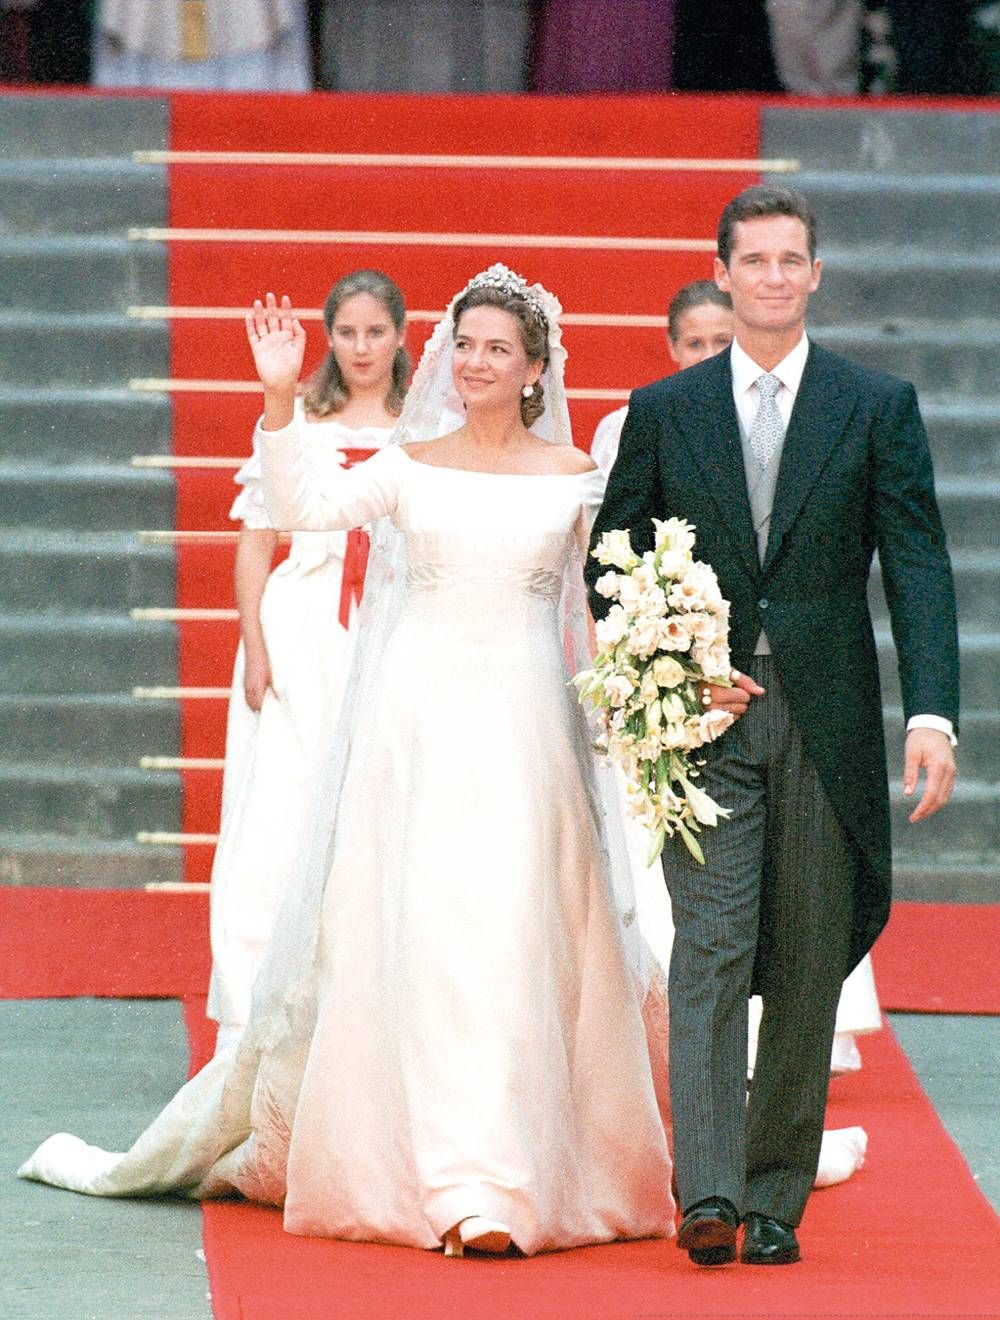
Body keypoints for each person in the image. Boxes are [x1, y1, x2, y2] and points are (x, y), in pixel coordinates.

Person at [19, 266, 674, 1258]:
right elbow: (305, 511)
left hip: (533, 726)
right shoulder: (409, 466)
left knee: (521, 933)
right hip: (418, 724)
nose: (480, 361)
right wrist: (280, 397)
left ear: (537, 367)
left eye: (502, 347)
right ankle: (464, 1186)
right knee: (434, 937)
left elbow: (611, 595)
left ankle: (528, 1166)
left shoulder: (574, 473)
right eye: (467, 344)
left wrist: (648, 684)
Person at [587, 185, 959, 1267]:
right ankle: (704, 1192)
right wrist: (673, 667)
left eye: (791, 260)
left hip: (828, 715)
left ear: (815, 274)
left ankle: (772, 1195)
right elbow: (611, 569)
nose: (774, 277)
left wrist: (929, 711)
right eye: (754, 261)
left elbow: (919, 565)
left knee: (804, 957)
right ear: (722, 271)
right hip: (700, 722)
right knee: (707, 945)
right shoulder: (665, 410)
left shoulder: (873, 403)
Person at [592, 279, 880, 1080]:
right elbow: (615, 565)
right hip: (686, 701)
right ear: (672, 345)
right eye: (696, 343)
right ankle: (703, 1144)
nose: (713, 355)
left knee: (800, 922)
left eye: (724, 341)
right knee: (705, 927)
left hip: (801, 690)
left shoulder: (807, 413)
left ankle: (767, 1111)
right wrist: (654, 677)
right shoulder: (644, 419)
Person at [208, 269, 408, 1052]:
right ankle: (249, 1020)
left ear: (400, 334)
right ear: (330, 339)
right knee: (279, 815)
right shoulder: (299, 421)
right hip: (302, 636)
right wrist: (256, 648)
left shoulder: (426, 427)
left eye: (376, 331)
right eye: (348, 333)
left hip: (388, 635)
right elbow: (257, 543)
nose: (361, 348)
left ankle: (360, 1025)